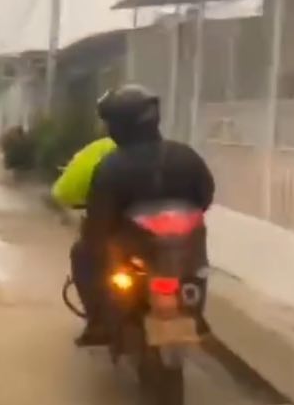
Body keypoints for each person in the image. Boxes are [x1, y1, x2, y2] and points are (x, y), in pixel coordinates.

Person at [70, 84, 215, 346]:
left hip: (136, 252)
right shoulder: (186, 155)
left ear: (118, 125)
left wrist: (94, 239)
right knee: (195, 269)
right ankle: (194, 312)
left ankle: (99, 322)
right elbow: (205, 196)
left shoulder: (112, 166)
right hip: (184, 253)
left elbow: (99, 220)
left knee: (82, 253)